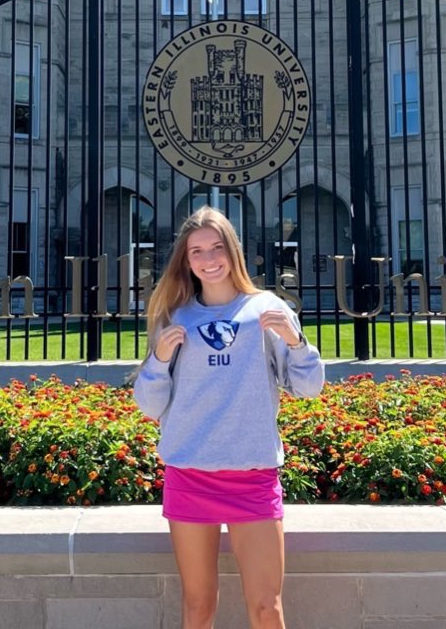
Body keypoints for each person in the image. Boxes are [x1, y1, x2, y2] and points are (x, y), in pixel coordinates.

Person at [134, 205, 324, 629]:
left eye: (217, 247)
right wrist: (159, 360)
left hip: (252, 474)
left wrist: (297, 343)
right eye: (196, 251)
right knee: (198, 607)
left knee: (266, 608)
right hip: (190, 473)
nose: (208, 259)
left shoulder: (267, 309)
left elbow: (308, 388)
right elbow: (149, 405)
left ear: (233, 252)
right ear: (186, 260)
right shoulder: (175, 316)